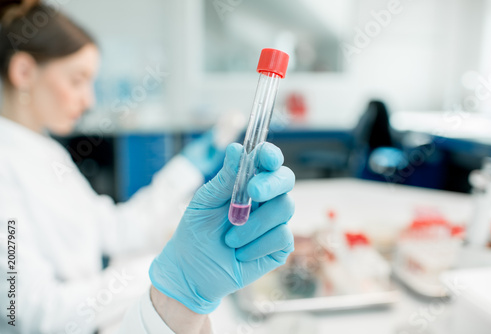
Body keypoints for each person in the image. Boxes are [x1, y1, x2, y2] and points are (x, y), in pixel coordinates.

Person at [0, 1, 295, 333]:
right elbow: (23, 311)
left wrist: (184, 170)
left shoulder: (45, 150)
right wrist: (166, 270)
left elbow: (111, 228)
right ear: (23, 72)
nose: (89, 101)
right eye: (77, 80)